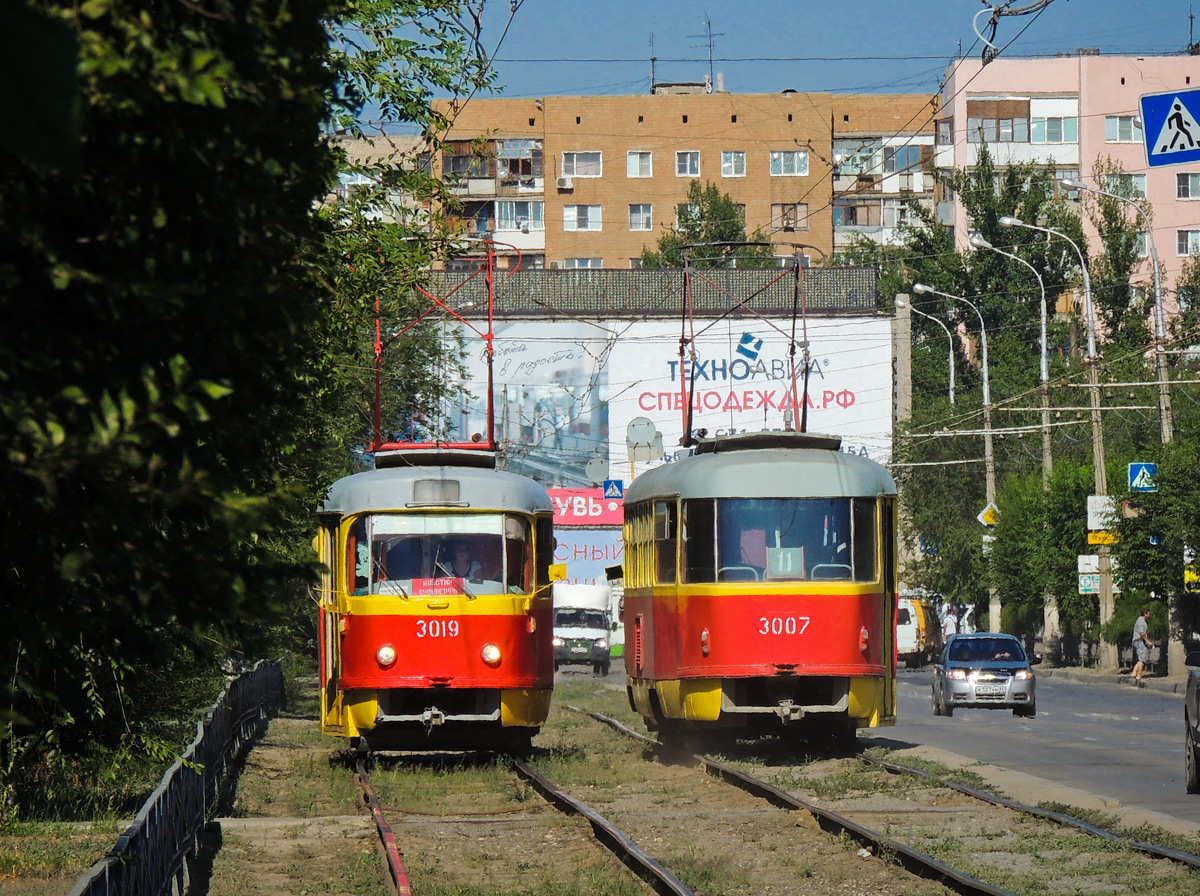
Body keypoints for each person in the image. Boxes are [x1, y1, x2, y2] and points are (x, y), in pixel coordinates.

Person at [1131, 607, 1154, 687]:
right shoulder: (1141, 622)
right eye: (1149, 613)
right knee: (1142, 659)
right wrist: (1148, 641)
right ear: (1145, 614)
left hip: (1136, 640)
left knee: (1140, 658)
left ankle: (1134, 672)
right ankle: (1139, 675)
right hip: (1139, 641)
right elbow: (1142, 634)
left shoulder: (1139, 620)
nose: (1149, 615)